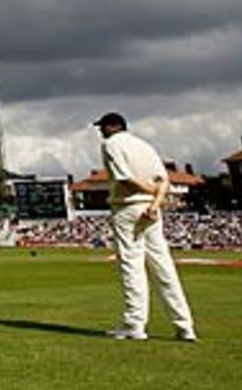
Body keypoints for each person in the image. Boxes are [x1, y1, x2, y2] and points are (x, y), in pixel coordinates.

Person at [94, 112, 196, 342]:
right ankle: (185, 326)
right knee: (164, 267)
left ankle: (134, 324)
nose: (100, 131)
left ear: (113, 126)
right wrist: (155, 203)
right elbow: (163, 181)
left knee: (132, 267)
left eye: (102, 127)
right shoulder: (145, 146)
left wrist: (149, 194)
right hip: (152, 209)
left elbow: (124, 179)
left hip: (127, 207)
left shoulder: (111, 144)